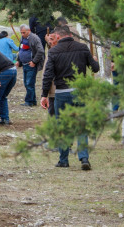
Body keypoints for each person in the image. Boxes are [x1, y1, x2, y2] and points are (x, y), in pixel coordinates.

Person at [41, 26, 100, 170]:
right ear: (70, 35)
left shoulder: (54, 51)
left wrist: (44, 95)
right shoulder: (83, 48)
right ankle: (84, 157)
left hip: (61, 92)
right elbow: (95, 68)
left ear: (58, 36)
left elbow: (48, 75)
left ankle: (63, 160)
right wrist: (94, 60)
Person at [16, 24, 45, 107]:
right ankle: (32, 101)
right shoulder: (23, 38)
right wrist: (19, 60)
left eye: (24, 32)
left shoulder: (34, 38)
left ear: (29, 31)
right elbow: (21, 49)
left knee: (29, 83)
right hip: (24, 64)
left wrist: (34, 62)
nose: (22, 34)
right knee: (26, 83)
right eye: (21, 32)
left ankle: (29, 101)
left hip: (31, 65)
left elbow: (40, 51)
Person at [42, 30, 58, 116]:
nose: (50, 42)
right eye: (49, 39)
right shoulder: (51, 52)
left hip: (55, 92)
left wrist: (44, 94)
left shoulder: (53, 54)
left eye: (52, 39)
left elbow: (47, 75)